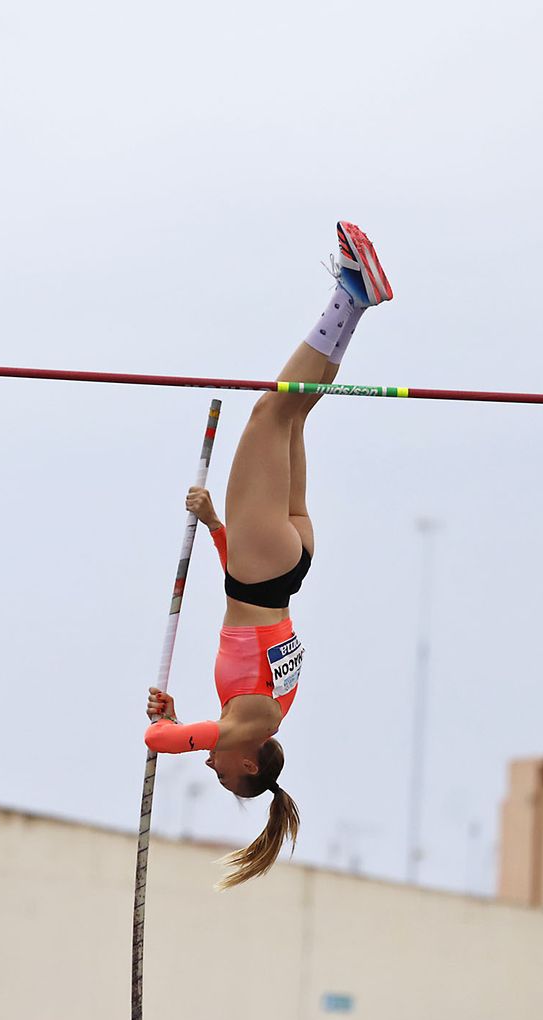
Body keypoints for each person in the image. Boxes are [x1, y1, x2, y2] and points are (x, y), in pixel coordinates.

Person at [143, 221, 393, 888]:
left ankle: (355, 299)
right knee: (268, 412)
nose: (213, 767)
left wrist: (218, 524)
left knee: (295, 415)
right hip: (262, 570)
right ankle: (350, 293)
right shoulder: (247, 722)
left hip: (283, 562)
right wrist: (171, 726)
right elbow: (157, 743)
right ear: (249, 764)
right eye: (224, 774)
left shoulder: (266, 710)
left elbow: (248, 610)